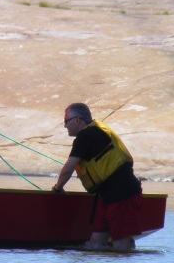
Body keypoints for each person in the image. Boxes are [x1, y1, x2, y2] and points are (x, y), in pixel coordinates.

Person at [51, 102, 142, 252]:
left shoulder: (85, 136)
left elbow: (68, 169)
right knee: (95, 244)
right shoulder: (93, 132)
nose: (65, 126)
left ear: (77, 120)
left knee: (121, 246)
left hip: (122, 195)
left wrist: (57, 188)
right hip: (108, 196)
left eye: (66, 121)